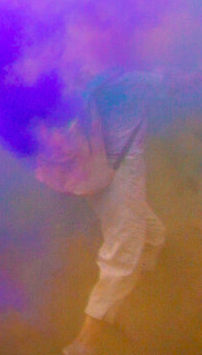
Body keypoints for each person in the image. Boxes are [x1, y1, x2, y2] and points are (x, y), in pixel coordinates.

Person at [31, 71, 165, 355]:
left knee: (149, 234)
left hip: (92, 170)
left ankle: (142, 287)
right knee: (123, 253)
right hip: (118, 170)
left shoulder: (88, 62)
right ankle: (84, 345)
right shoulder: (128, 73)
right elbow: (182, 80)